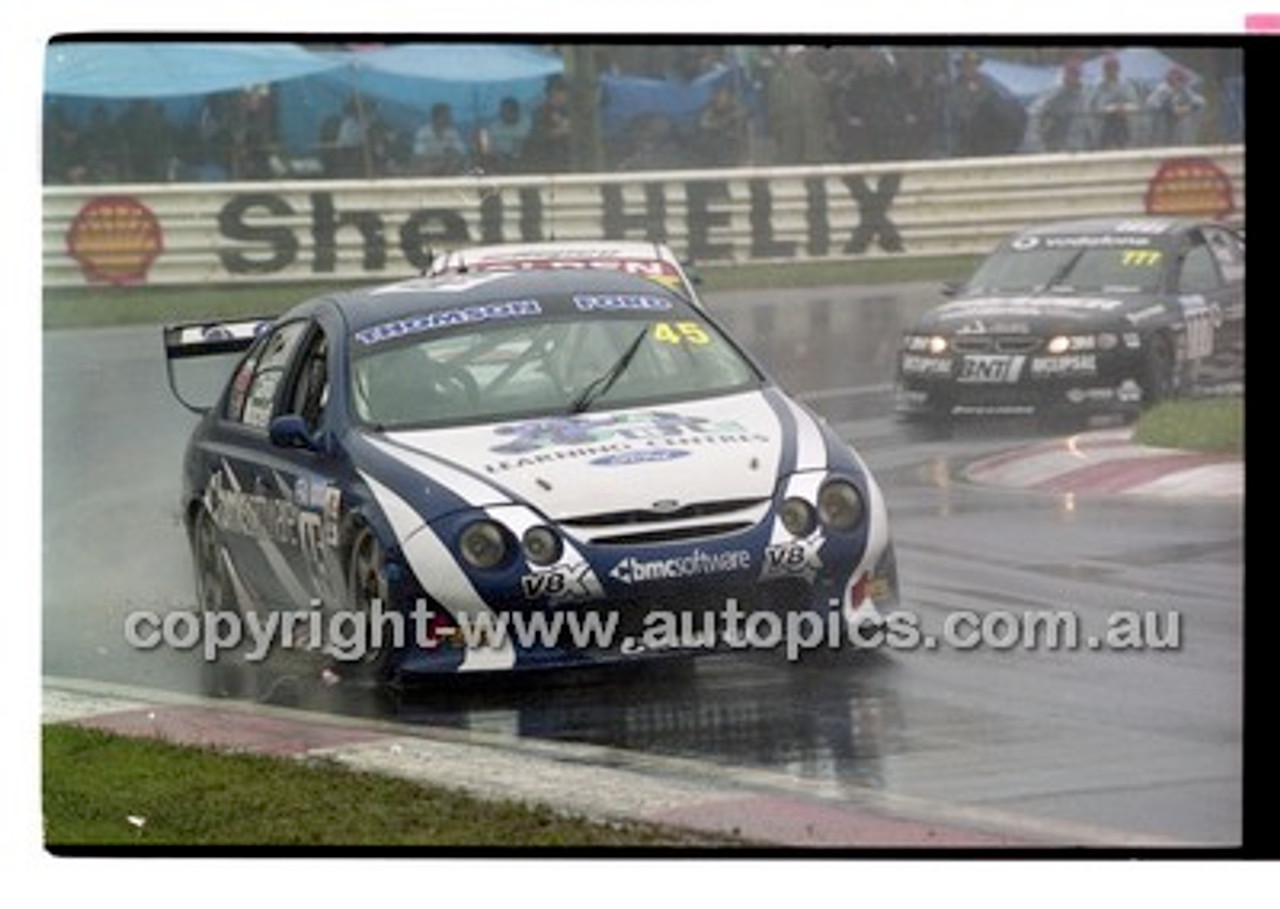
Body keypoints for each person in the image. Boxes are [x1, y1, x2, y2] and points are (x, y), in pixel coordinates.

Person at [1030, 57, 1093, 152]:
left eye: (1078, 73)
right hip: (1059, 149)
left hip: (1081, 148)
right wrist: (1039, 144)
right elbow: (1035, 114)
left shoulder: (1085, 94)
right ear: (1065, 73)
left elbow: (1088, 124)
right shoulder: (1054, 94)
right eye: (1072, 72)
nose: (1075, 76)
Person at [1145, 66, 1206, 146]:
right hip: (1161, 128)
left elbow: (1200, 101)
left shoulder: (1184, 90)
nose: (1181, 82)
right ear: (1170, 78)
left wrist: (1189, 107)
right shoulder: (1163, 89)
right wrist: (1169, 108)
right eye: (1178, 79)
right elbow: (1151, 103)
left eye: (1182, 79)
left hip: (1176, 130)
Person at [1090, 54, 1140, 150]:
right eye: (1108, 68)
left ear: (1118, 69)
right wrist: (1108, 109)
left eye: (1114, 67)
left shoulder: (1126, 85)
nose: (1111, 71)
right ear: (1104, 70)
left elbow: (1135, 105)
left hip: (1123, 128)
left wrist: (1124, 108)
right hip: (1103, 129)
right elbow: (1090, 108)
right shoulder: (1097, 86)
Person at [524, 75, 573, 172]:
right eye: (561, 91)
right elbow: (538, 136)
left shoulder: (569, 111)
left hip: (567, 159)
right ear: (552, 92)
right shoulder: (541, 111)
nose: (565, 96)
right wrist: (562, 130)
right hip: (545, 160)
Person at [695, 82, 749, 166]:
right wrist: (723, 122)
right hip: (714, 149)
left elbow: (744, 115)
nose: (723, 98)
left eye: (726, 95)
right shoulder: (710, 109)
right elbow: (704, 123)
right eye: (720, 95)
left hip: (734, 151)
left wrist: (737, 116)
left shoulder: (736, 107)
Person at [475, 97, 530, 173]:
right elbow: (489, 148)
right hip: (499, 161)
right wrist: (499, 156)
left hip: (524, 161)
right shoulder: (494, 126)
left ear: (516, 112)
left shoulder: (527, 124)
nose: (505, 114)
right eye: (503, 112)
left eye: (509, 111)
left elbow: (528, 143)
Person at [412, 102, 467, 176]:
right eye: (446, 117)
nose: (449, 119)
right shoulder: (423, 133)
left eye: (449, 117)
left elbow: (462, 152)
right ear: (436, 118)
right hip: (428, 170)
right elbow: (419, 155)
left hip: (448, 169)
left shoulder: (452, 133)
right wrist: (439, 160)